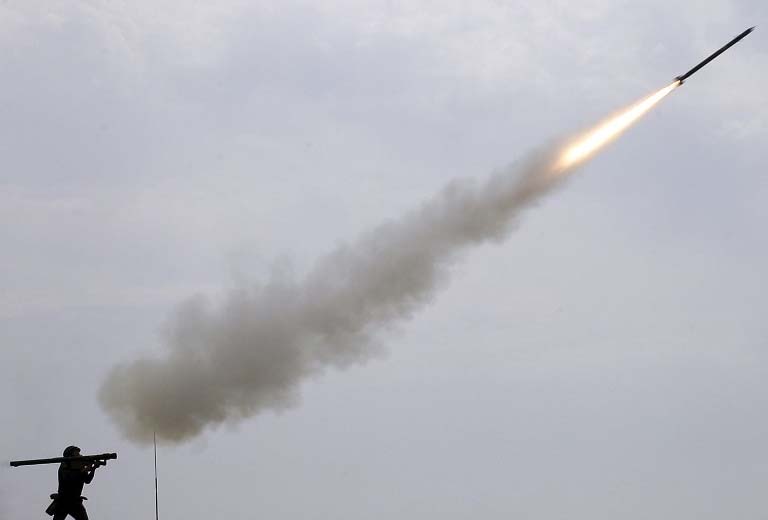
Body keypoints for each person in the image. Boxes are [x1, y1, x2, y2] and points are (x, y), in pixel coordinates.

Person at [46, 446, 97, 520]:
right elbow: (70, 478)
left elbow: (87, 480)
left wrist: (93, 469)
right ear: (71, 454)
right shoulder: (65, 464)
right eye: (76, 453)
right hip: (63, 500)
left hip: (75, 501)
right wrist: (85, 469)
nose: (80, 455)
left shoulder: (79, 466)